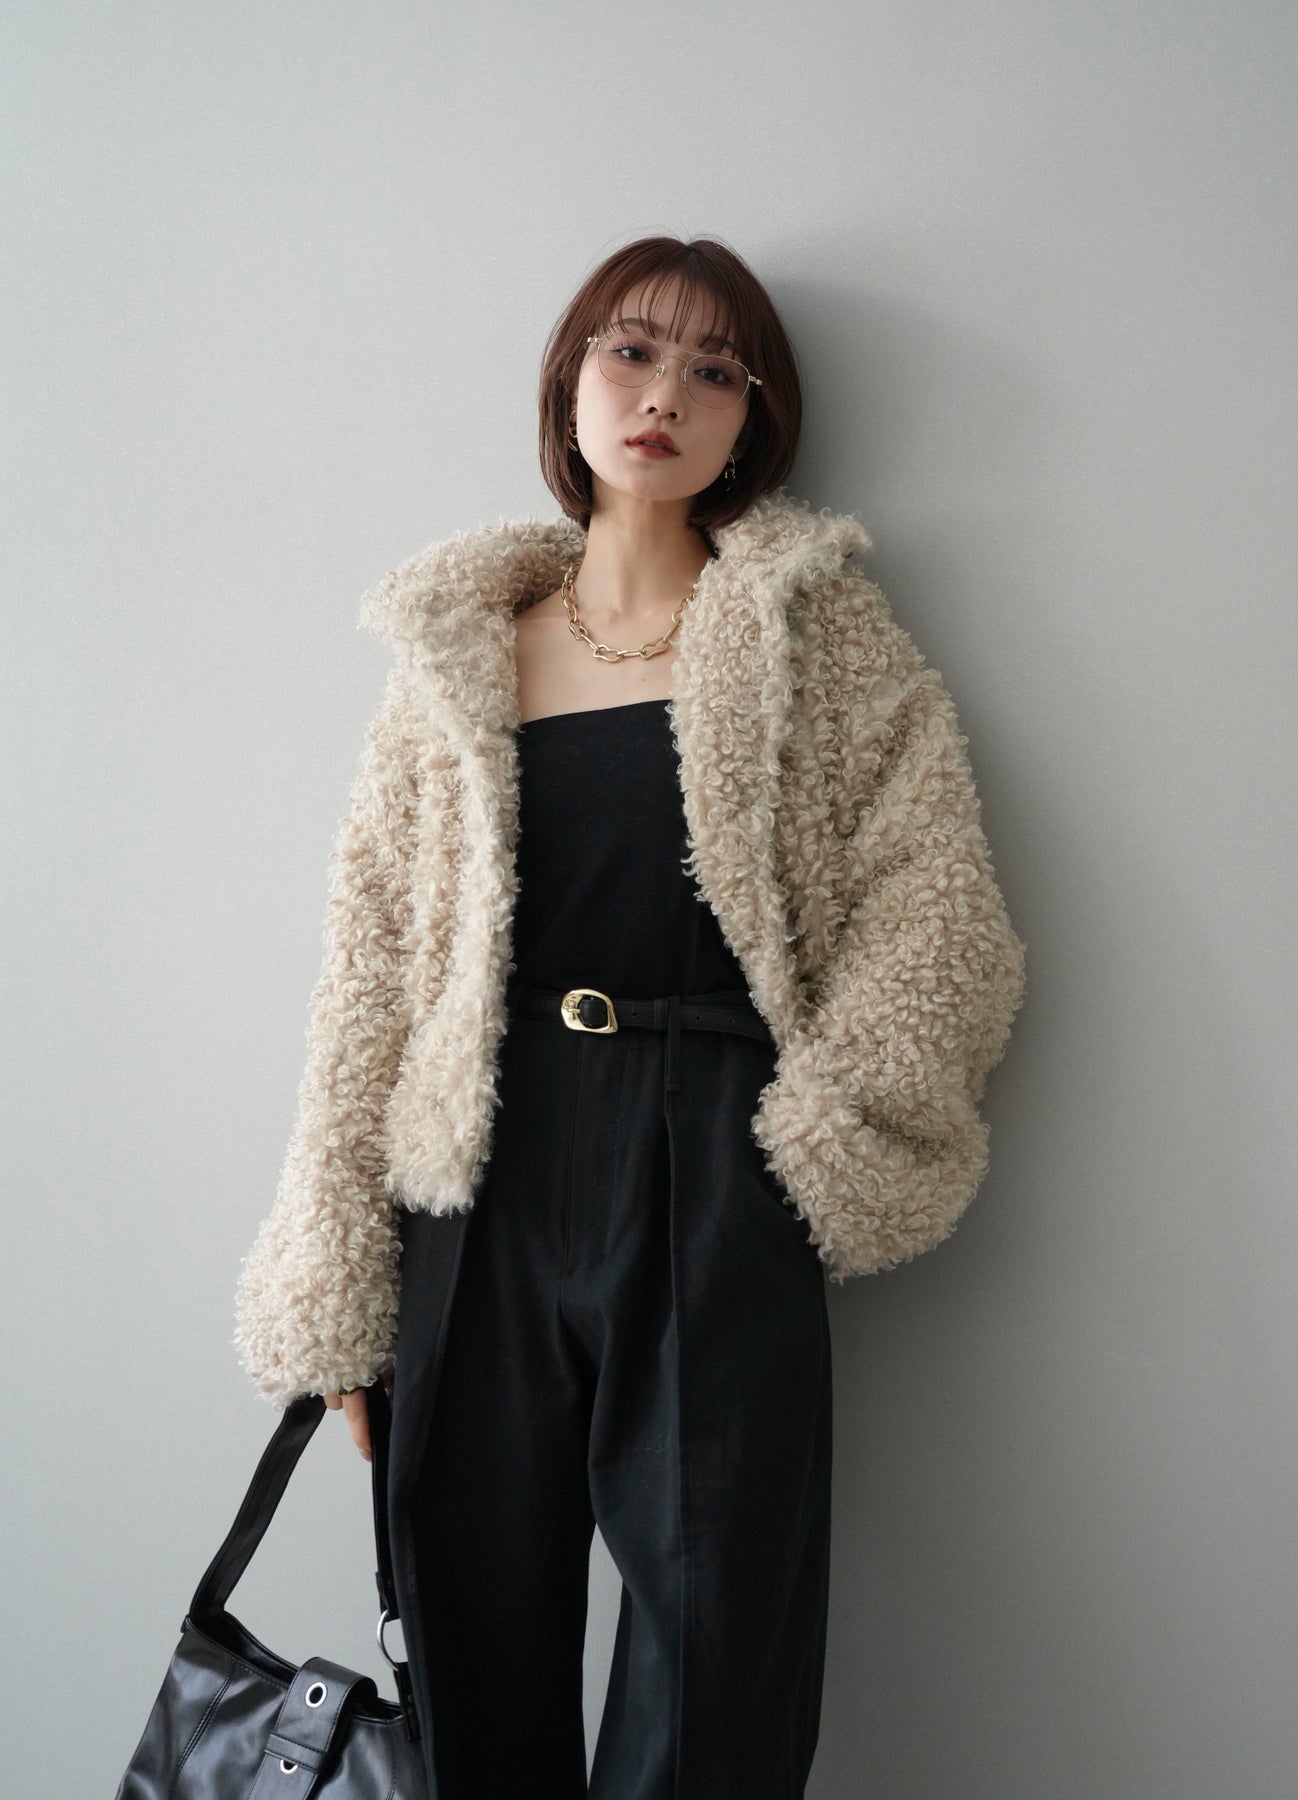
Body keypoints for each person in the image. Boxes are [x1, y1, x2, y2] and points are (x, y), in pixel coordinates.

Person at [233, 233, 1027, 1798]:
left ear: (753, 422)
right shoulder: (460, 651)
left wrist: (820, 1135)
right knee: (465, 1631)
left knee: (718, 1642)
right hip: (477, 1176)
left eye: (714, 371)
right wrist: (337, 1270)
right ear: (570, 383)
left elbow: (939, 910)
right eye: (632, 351)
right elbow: (371, 964)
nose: (665, 394)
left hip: (713, 1159)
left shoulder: (814, 635)